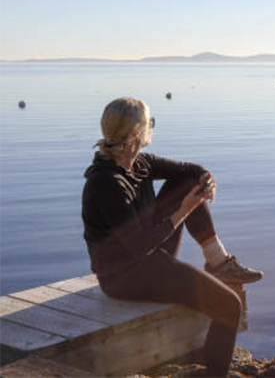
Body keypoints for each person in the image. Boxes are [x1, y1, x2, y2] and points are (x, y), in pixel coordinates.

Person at [81, 97, 262, 377]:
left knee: (187, 182)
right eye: (150, 123)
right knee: (229, 306)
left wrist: (206, 182)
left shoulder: (139, 163)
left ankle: (218, 261)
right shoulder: (107, 183)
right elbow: (138, 246)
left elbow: (190, 170)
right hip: (123, 277)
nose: (152, 128)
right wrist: (184, 210)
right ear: (136, 133)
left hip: (150, 255)